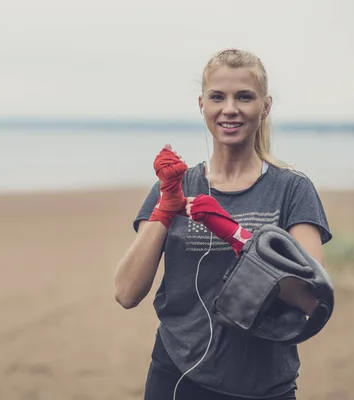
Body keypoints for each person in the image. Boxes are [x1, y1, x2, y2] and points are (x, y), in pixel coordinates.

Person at [114, 48, 332, 400]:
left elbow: (312, 301)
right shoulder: (176, 187)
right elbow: (126, 292)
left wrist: (240, 238)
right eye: (218, 97)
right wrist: (165, 207)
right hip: (177, 376)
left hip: (265, 384)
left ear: (265, 106)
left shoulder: (292, 189)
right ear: (202, 104)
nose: (229, 108)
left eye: (244, 96)